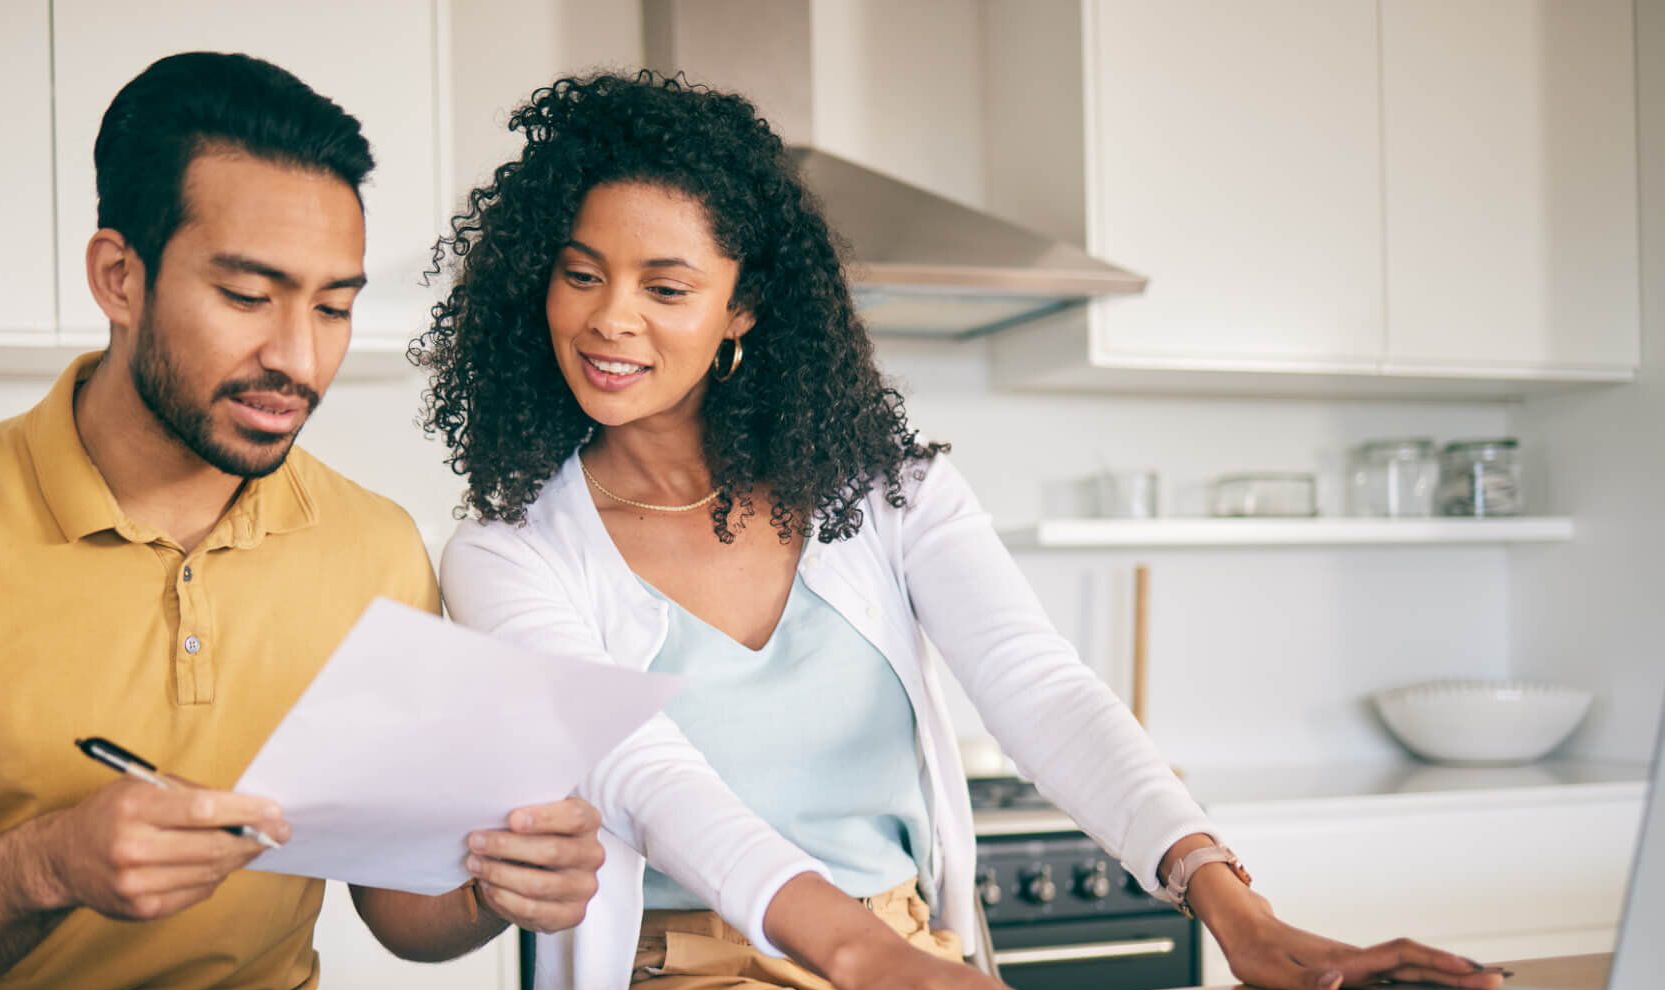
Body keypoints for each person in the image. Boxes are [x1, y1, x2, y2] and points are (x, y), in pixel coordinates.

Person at [415, 71, 1507, 990]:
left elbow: (1042, 692)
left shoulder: (889, 491)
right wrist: (859, 960)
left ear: (740, 309)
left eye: (666, 286)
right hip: (689, 969)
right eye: (579, 274)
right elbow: (649, 783)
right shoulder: (511, 553)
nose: (610, 318)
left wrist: (1236, 913)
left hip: (902, 950)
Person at [0, 52, 602, 990]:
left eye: (333, 307)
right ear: (120, 278)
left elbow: (400, 906)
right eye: (248, 297)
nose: (299, 357)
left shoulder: (371, 546)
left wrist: (501, 884)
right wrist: (43, 867)